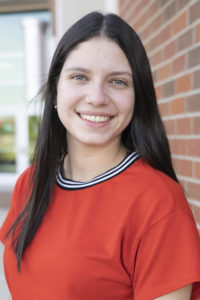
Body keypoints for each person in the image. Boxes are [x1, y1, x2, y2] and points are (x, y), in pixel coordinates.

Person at [0, 11, 200, 300]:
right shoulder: (29, 183)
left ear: (137, 97)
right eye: (79, 77)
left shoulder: (158, 203)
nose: (97, 97)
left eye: (118, 82)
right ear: (55, 92)